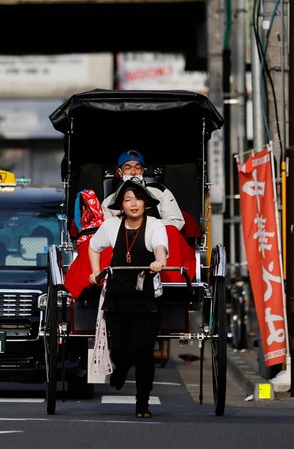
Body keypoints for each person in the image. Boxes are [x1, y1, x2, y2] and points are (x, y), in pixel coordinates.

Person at [87, 179, 168, 418]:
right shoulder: (111, 226)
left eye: (138, 198)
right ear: (121, 205)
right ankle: (120, 367)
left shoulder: (155, 225)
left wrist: (159, 262)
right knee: (121, 349)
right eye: (128, 199)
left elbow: (160, 247)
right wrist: (95, 271)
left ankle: (142, 402)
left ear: (146, 203)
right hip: (117, 295)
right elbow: (94, 247)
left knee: (143, 350)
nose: (134, 204)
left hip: (147, 298)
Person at [102, 149, 184, 230]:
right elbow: (108, 230)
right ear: (120, 172)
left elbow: (177, 222)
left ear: (142, 171)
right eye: (128, 168)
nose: (133, 172)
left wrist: (146, 225)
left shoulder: (160, 192)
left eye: (137, 167)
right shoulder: (109, 201)